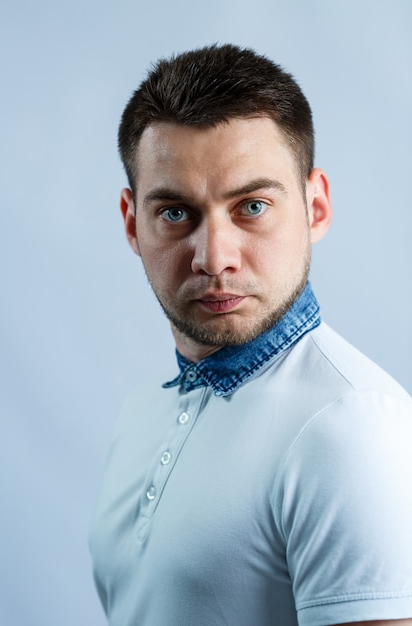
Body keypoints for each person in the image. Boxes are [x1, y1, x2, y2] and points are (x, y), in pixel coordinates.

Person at [89, 44, 412, 626]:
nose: (215, 258)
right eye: (174, 213)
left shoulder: (351, 427)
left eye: (253, 206)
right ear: (132, 222)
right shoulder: (143, 411)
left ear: (315, 208)